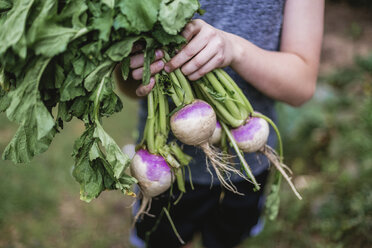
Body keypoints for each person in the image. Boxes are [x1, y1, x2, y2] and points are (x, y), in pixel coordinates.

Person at [115, 0, 324, 247]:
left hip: (248, 165)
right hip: (166, 173)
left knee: (227, 239)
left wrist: (236, 49)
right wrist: (139, 70)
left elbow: (302, 86)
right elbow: (128, 85)